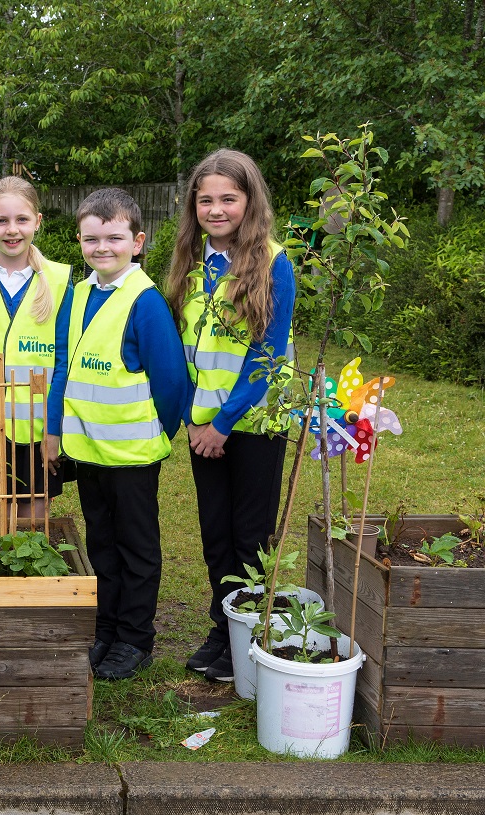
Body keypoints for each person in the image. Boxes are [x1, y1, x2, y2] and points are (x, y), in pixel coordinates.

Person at [166, 148, 296, 683]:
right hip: (205, 429)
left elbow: (266, 354)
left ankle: (251, 636)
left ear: (249, 201)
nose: (216, 209)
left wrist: (222, 423)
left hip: (255, 425)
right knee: (214, 535)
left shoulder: (274, 262)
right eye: (206, 200)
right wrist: (196, 421)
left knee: (249, 536)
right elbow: (187, 351)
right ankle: (222, 629)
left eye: (228, 199)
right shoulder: (191, 266)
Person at [61, 189, 191, 680]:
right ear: (80, 240)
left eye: (114, 238)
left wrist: (159, 429)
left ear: (137, 242)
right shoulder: (78, 294)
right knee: (102, 546)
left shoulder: (146, 302)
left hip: (133, 454)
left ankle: (135, 639)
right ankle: (106, 629)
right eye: (92, 238)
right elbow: (67, 368)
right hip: (88, 451)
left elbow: (172, 383)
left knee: (136, 549)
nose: (102, 248)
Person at [0, 176, 73, 520]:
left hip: (39, 433)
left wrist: (53, 429)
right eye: (1, 220)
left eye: (22, 219)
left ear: (38, 221)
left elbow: (65, 362)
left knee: (33, 533)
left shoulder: (61, 280)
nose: (12, 230)